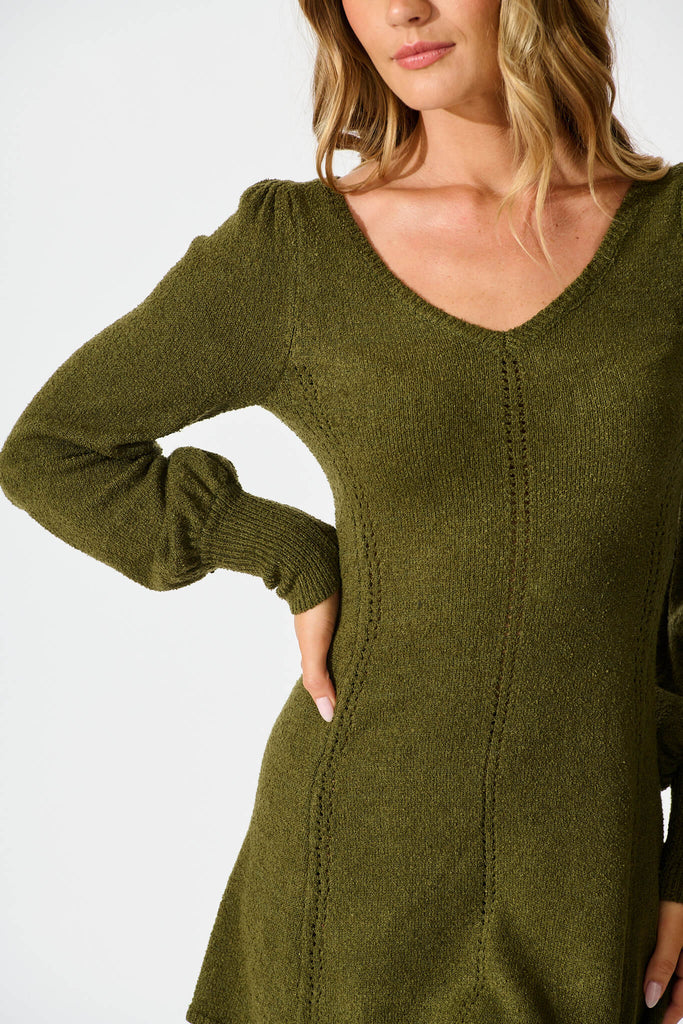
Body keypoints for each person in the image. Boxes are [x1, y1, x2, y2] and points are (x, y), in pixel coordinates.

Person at [1, 0, 682, 1021]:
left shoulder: (669, 242)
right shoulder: (296, 252)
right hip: (346, 878)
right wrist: (285, 550)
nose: (402, 9)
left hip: (587, 880)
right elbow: (53, 449)